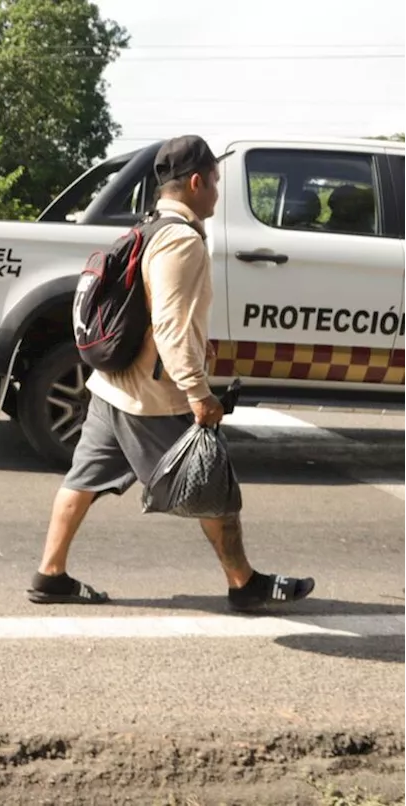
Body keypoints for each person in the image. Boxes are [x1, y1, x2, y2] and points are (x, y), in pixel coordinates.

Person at [27, 134, 316, 613]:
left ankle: (50, 574)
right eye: (216, 183)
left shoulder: (149, 227)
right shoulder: (181, 241)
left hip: (111, 387)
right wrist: (199, 394)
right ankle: (244, 583)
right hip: (152, 396)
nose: (218, 196)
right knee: (216, 489)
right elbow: (170, 325)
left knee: (81, 481)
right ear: (197, 182)